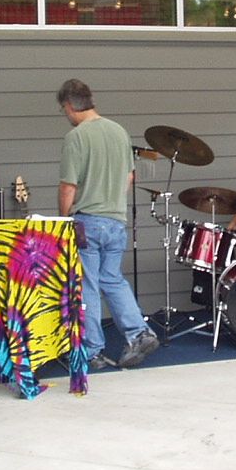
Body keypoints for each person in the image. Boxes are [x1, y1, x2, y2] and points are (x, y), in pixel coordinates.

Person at [57, 78, 158, 371]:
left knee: (87, 285)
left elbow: (68, 186)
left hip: (87, 222)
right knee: (112, 279)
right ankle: (138, 333)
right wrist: (112, 201)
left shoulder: (76, 136)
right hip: (116, 220)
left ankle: (92, 351)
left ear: (69, 105)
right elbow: (129, 177)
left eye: (64, 110)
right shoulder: (119, 131)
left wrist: (64, 220)